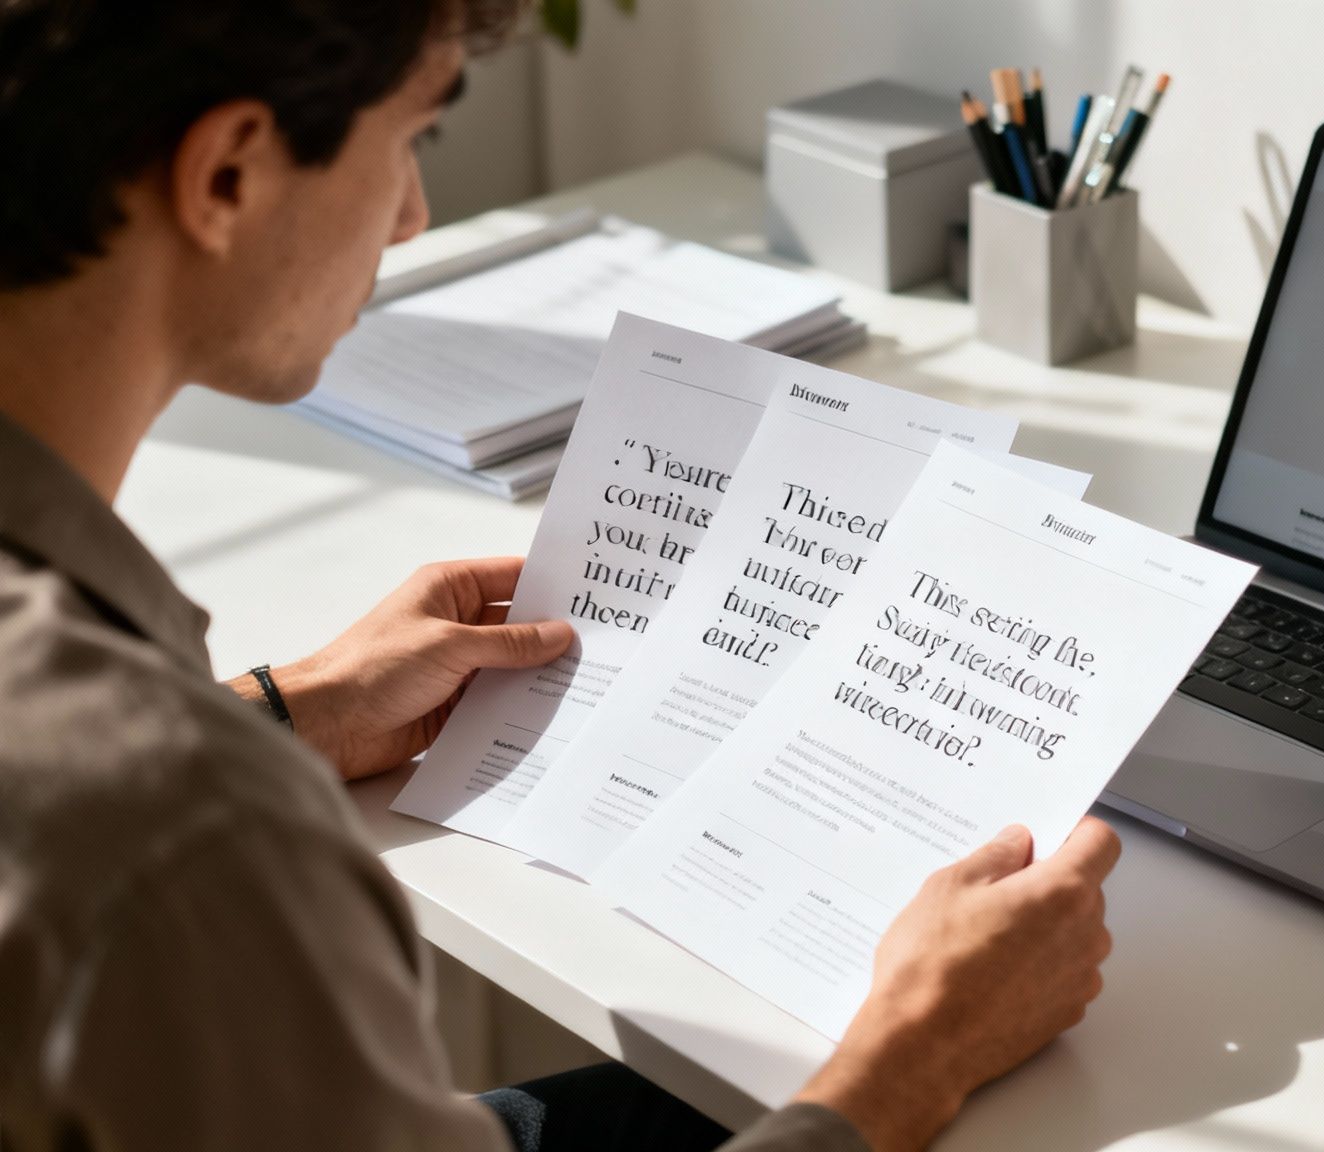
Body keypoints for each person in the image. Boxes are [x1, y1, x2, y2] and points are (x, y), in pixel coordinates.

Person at [0, 3, 1121, 1150]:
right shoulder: (176, 832)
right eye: (413, 142)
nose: (413, 216)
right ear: (227, 174)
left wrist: (289, 715)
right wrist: (918, 1046)